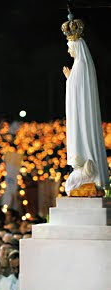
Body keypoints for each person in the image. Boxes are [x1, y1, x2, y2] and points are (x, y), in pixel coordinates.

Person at [61, 18, 109, 195]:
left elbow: (77, 90)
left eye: (69, 47)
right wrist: (70, 79)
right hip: (81, 113)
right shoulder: (80, 65)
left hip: (82, 116)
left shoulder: (80, 65)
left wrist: (69, 80)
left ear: (76, 47)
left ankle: (88, 170)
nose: (68, 50)